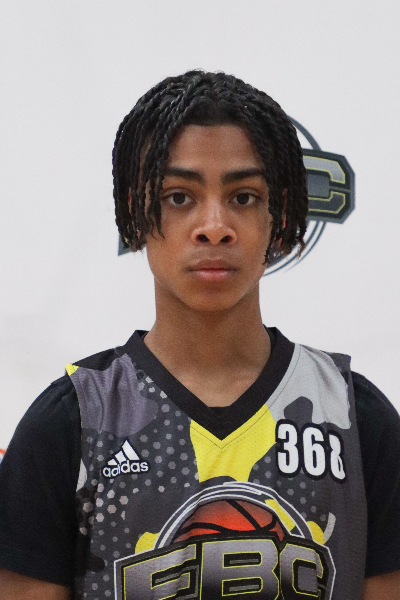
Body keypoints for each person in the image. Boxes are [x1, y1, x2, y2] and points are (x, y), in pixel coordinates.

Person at [0, 70, 399, 600]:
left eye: (244, 197)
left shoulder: (357, 419)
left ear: (279, 216)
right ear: (135, 211)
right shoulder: (68, 423)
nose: (214, 225)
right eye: (179, 197)